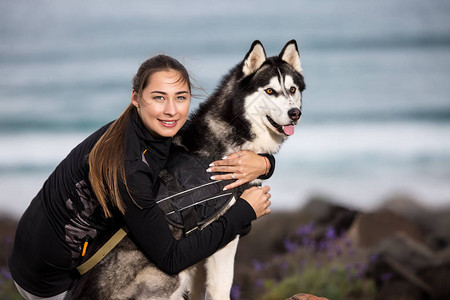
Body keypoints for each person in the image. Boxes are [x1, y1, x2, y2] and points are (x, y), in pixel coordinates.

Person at [9, 54, 274, 300]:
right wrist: (244, 212)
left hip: (31, 253)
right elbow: (171, 258)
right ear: (136, 98)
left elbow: (208, 163)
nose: (172, 110)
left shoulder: (145, 132)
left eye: (180, 97)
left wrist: (264, 163)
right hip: (51, 284)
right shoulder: (130, 167)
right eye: (159, 98)